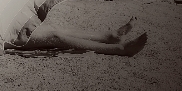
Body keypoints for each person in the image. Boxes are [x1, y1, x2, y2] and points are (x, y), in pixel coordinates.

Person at [14, 16, 147, 57]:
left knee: (53, 29)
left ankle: (111, 37)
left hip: (3, 29)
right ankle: (119, 49)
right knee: (53, 36)